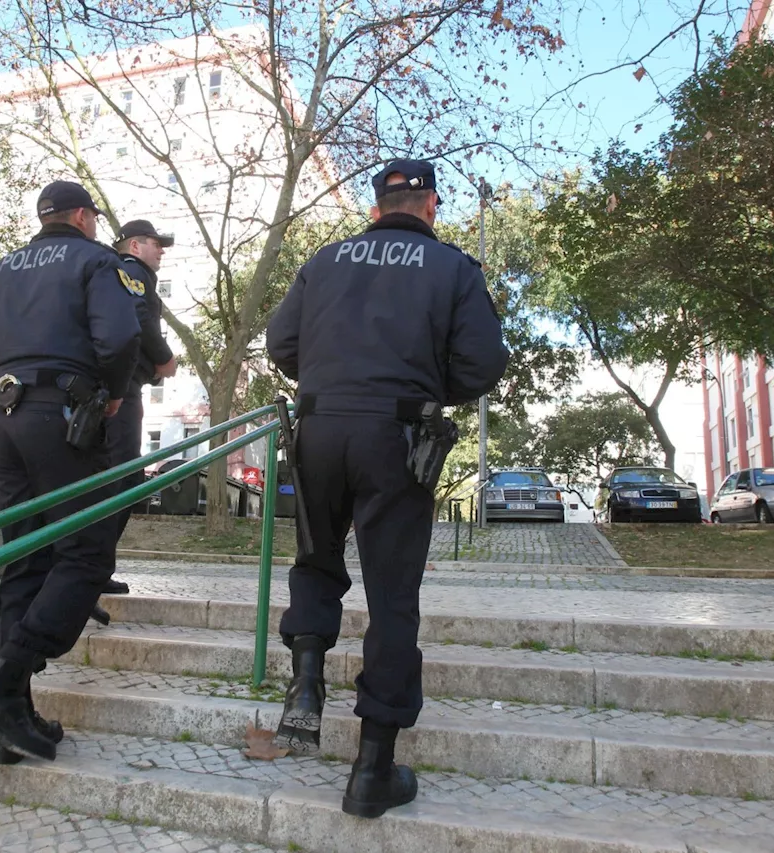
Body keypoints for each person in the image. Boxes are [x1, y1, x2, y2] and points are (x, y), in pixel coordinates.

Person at [265, 159, 509, 818]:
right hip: (398, 436)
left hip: (317, 429)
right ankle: (372, 766)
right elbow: (484, 361)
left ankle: (307, 682)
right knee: (392, 594)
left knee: (315, 562)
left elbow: (280, 344)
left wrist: (332, 376)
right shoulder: (455, 268)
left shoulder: (325, 259)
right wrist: (425, 389)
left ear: (376, 209)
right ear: (431, 205)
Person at [0, 179, 143, 763]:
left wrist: (12, 356)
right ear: (83, 216)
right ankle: (1, 682)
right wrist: (114, 394)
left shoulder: (1, 269)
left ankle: (8, 725)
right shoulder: (98, 261)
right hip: (64, 416)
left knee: (20, 559)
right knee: (86, 553)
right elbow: (120, 337)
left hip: (3, 415)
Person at [100, 220, 179, 594]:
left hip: (120, 385)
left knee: (118, 478)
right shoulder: (132, 271)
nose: (161, 250)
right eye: (156, 243)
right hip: (120, 388)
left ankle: (91, 567)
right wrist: (165, 358)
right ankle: (92, 569)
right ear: (134, 245)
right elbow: (139, 318)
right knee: (123, 478)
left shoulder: (122, 270)